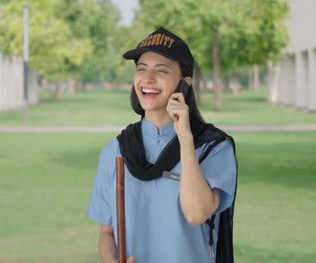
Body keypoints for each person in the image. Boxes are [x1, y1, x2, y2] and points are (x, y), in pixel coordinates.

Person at [87, 27, 237, 263]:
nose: (147, 79)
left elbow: (197, 213)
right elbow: (107, 233)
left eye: (161, 70)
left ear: (184, 84)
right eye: (141, 69)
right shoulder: (115, 152)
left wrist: (185, 137)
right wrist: (110, 259)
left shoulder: (213, 149)